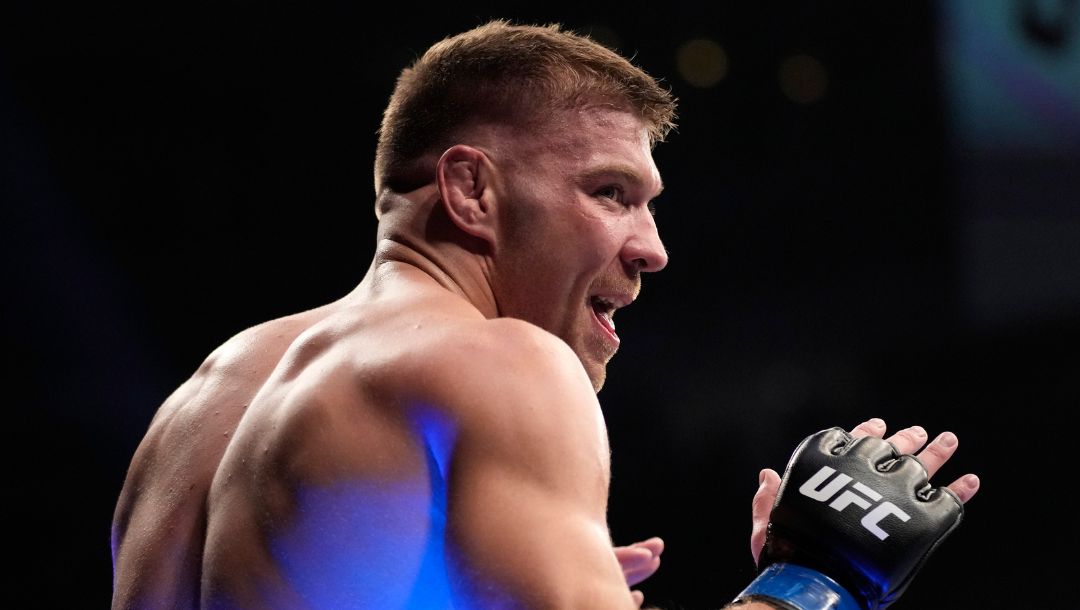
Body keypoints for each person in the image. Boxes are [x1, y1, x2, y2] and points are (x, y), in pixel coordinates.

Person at [110, 19, 980, 610]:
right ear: (469, 189)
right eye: (611, 193)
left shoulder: (204, 401)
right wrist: (809, 583)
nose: (653, 248)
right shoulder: (504, 363)